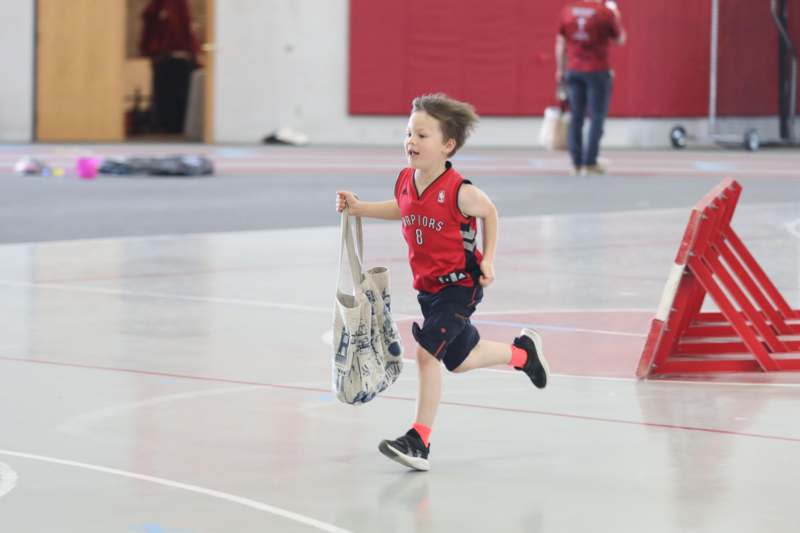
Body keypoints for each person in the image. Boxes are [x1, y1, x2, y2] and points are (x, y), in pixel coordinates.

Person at [335, 94, 549, 472]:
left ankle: (419, 440)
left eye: (422, 135)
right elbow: (402, 207)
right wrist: (360, 207)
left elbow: (490, 212)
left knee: (426, 353)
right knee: (460, 360)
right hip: (428, 291)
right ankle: (524, 354)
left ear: (447, 145)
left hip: (459, 288)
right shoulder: (405, 180)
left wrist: (490, 258)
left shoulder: (459, 191)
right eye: (408, 134)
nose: (411, 142)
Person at [555, 0, 626, 175]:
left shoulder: (568, 11)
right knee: (597, 116)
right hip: (598, 70)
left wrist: (560, 70)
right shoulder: (605, 12)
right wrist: (617, 15)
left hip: (574, 68)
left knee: (576, 117)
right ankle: (590, 162)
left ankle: (576, 163)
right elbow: (621, 39)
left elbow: (561, 43)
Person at [139, 0, 200, 134]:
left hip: (178, 58)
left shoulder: (178, 5)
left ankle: (174, 127)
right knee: (166, 96)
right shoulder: (157, 7)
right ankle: (167, 127)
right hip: (165, 57)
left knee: (178, 96)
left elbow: (186, 27)